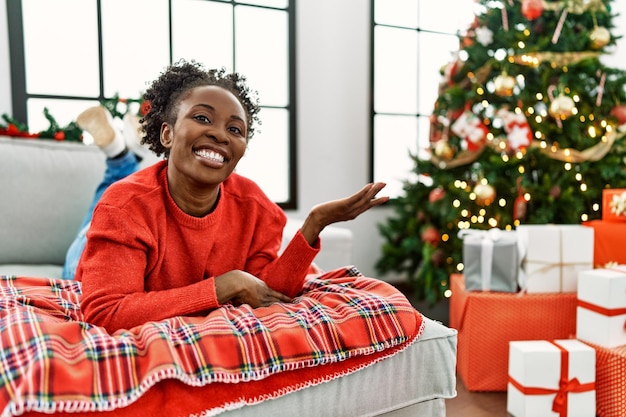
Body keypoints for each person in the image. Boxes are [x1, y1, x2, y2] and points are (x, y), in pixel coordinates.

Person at [74, 59, 389, 333]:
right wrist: (224, 285)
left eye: (236, 129)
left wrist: (315, 223)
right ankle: (119, 154)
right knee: (91, 229)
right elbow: (106, 312)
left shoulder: (254, 205)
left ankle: (122, 153)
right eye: (202, 118)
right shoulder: (124, 207)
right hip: (95, 247)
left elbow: (268, 293)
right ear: (167, 133)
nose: (220, 135)